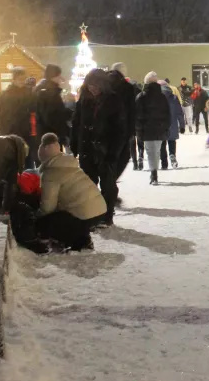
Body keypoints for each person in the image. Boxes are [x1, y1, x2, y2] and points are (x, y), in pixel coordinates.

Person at [21, 133, 108, 252]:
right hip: (100, 209)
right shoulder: (68, 163)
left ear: (43, 154)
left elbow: (48, 208)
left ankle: (78, 241)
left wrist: (35, 218)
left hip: (85, 214)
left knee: (46, 223)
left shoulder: (50, 173)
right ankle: (83, 237)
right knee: (67, 215)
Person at [71, 68, 126, 224]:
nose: (92, 89)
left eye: (95, 85)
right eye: (90, 85)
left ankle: (107, 216)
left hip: (106, 150)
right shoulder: (84, 100)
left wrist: (113, 152)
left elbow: (120, 129)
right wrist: (75, 145)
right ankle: (93, 215)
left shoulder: (113, 100)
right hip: (87, 149)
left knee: (108, 186)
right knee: (89, 185)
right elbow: (77, 124)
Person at [136, 72, 171, 185]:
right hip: (160, 129)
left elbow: (136, 115)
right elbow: (168, 114)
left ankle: (154, 174)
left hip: (147, 130)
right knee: (156, 151)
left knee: (150, 152)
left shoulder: (141, 96)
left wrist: (138, 129)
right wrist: (166, 126)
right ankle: (154, 173)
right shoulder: (162, 97)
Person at [33, 64, 72, 151]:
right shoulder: (50, 93)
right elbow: (52, 116)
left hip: (45, 135)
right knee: (53, 162)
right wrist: (68, 115)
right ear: (53, 77)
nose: (60, 78)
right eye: (58, 75)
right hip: (51, 137)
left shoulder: (43, 90)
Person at [109, 63, 138, 176]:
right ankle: (111, 185)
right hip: (122, 128)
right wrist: (132, 130)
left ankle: (108, 185)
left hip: (104, 127)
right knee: (123, 156)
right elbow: (131, 110)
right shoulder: (127, 87)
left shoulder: (103, 84)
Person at [0, 67, 34, 140]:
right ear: (13, 80)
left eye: (24, 79)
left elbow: (33, 111)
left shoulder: (29, 93)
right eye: (20, 79)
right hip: (10, 131)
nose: (22, 81)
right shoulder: (5, 95)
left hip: (26, 132)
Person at [159, 80, 184, 169]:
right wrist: (182, 125)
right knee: (172, 141)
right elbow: (180, 112)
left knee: (162, 144)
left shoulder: (157, 98)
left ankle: (164, 163)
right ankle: (172, 155)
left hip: (160, 125)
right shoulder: (174, 97)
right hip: (172, 125)